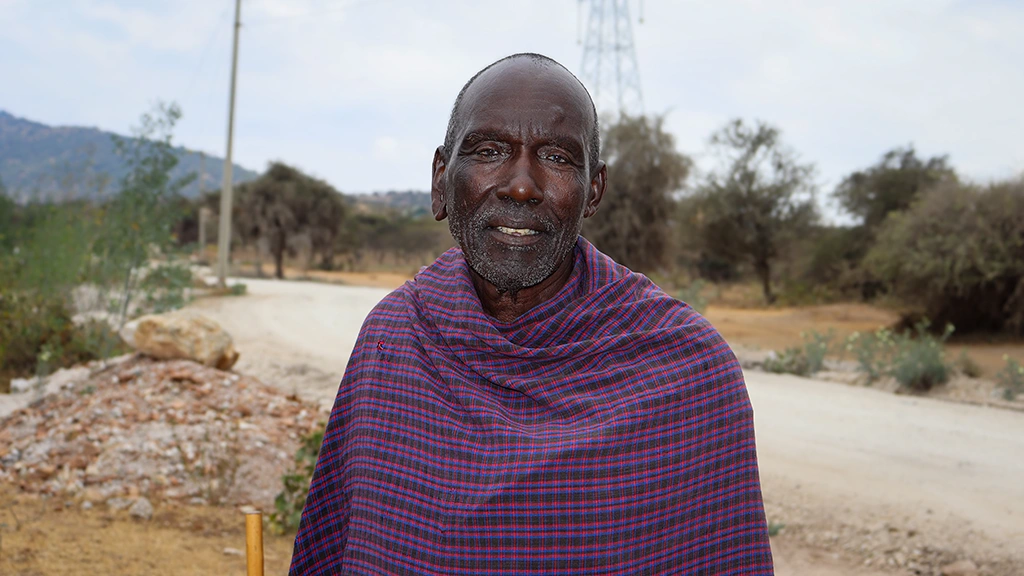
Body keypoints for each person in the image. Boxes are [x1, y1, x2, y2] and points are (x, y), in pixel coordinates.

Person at [290, 53, 774, 575]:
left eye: (559, 158)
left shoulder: (684, 367)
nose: (521, 185)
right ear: (440, 180)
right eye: (490, 150)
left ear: (594, 190)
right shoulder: (394, 339)